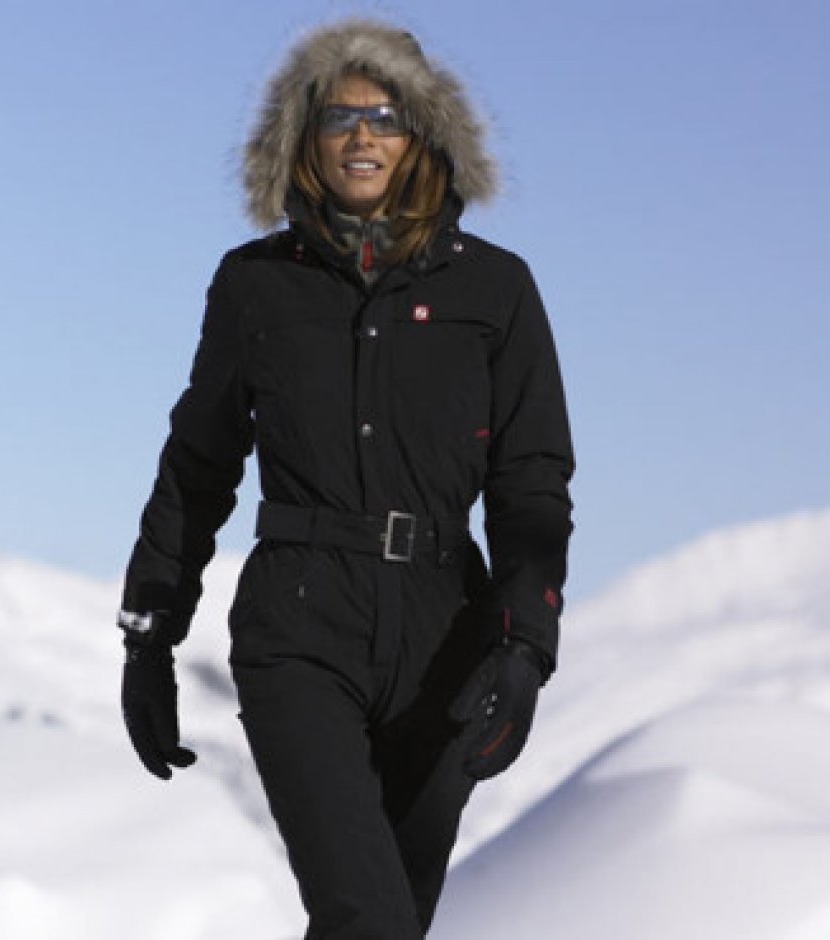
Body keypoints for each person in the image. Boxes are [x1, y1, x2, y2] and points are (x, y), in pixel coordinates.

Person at [117, 17, 574, 939]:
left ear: (423, 136)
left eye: (387, 116)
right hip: (299, 623)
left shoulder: (497, 290)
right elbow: (198, 464)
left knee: (393, 919)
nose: (362, 135)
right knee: (365, 917)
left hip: (446, 635)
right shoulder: (254, 284)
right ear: (305, 135)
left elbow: (531, 480)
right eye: (339, 115)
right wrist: (150, 636)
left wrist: (526, 645)